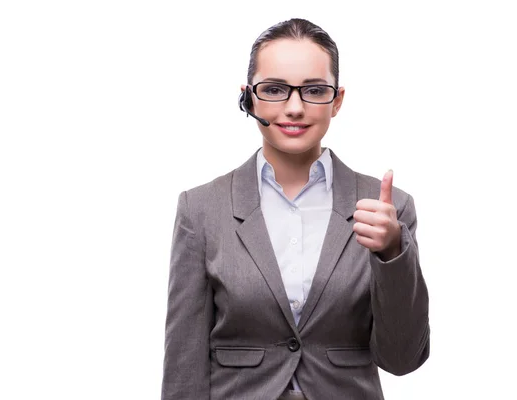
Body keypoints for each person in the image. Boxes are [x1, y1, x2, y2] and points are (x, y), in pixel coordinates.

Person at [161, 18, 430, 400]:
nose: (294, 107)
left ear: (337, 100)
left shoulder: (388, 207)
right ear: (249, 97)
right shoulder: (201, 209)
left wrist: (392, 251)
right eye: (274, 89)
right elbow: (183, 364)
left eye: (314, 90)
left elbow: (403, 358)